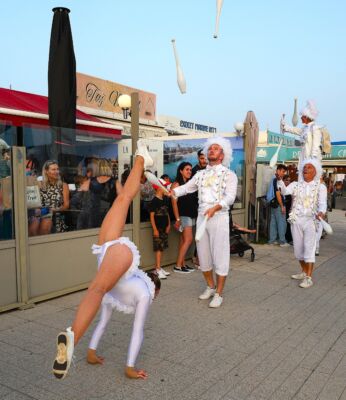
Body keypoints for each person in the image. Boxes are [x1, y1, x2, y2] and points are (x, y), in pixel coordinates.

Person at [52, 140, 159, 380]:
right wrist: (130, 368)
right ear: (154, 289)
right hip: (114, 255)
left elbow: (103, 323)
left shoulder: (129, 293)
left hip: (109, 251)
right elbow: (137, 332)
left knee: (123, 201)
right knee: (97, 289)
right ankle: (141, 157)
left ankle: (73, 337)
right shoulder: (142, 295)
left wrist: (92, 353)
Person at [172, 136, 237, 308]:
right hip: (202, 217)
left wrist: (216, 207)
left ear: (222, 155)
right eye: (210, 149)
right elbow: (186, 188)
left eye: (216, 149)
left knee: (220, 255)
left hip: (219, 217)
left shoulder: (229, 174)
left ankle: (219, 293)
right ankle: (210, 286)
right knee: (203, 256)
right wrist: (173, 192)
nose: (211, 151)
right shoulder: (199, 174)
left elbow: (230, 197)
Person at [277, 158, 327, 288]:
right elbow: (284, 191)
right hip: (296, 220)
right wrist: (279, 180)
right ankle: (304, 272)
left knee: (309, 248)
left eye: (310, 167)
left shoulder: (320, 187)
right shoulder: (296, 184)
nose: (306, 169)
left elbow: (323, 204)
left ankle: (308, 278)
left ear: (315, 171)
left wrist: (321, 212)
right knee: (298, 250)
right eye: (305, 167)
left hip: (312, 220)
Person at [30, 160, 70, 235]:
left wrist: (54, 210)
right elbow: (34, 201)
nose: (57, 171)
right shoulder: (40, 185)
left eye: (57, 169)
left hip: (55, 214)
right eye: (53, 169)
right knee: (32, 228)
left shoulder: (63, 185)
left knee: (45, 225)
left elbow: (66, 205)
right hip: (40, 213)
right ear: (46, 171)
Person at [171, 162, 197, 273]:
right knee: (189, 239)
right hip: (183, 215)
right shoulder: (177, 184)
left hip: (191, 214)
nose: (189, 171)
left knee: (183, 240)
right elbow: (174, 203)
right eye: (187, 169)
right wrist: (177, 219)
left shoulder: (189, 184)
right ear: (181, 171)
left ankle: (182, 264)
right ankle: (178, 266)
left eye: (190, 170)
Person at [282, 100, 322, 166]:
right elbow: (295, 130)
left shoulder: (314, 129)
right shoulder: (305, 128)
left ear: (306, 117)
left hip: (310, 161)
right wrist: (285, 127)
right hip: (304, 158)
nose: (301, 118)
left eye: (302, 116)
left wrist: (313, 160)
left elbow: (316, 146)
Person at [148, 179, 171, 279]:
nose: (166, 189)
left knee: (162, 248)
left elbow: (167, 213)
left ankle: (159, 267)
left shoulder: (165, 200)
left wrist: (169, 225)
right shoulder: (154, 201)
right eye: (164, 187)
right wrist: (155, 229)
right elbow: (152, 216)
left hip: (164, 227)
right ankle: (157, 269)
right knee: (158, 248)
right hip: (158, 228)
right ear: (159, 188)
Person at [266, 164, 290, 247]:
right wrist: (282, 206)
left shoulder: (273, 178)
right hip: (278, 204)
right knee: (281, 222)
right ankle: (282, 241)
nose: (283, 173)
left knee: (273, 222)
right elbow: (278, 193)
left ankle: (272, 240)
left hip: (272, 203)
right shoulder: (277, 179)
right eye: (283, 171)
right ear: (278, 170)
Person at [283, 175, 293, 244]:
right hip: (283, 208)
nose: (288, 182)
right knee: (284, 223)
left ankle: (289, 238)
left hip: (289, 208)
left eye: (289, 180)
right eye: (286, 180)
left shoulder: (291, 189)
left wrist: (291, 208)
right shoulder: (283, 188)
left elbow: (293, 199)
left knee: (289, 223)